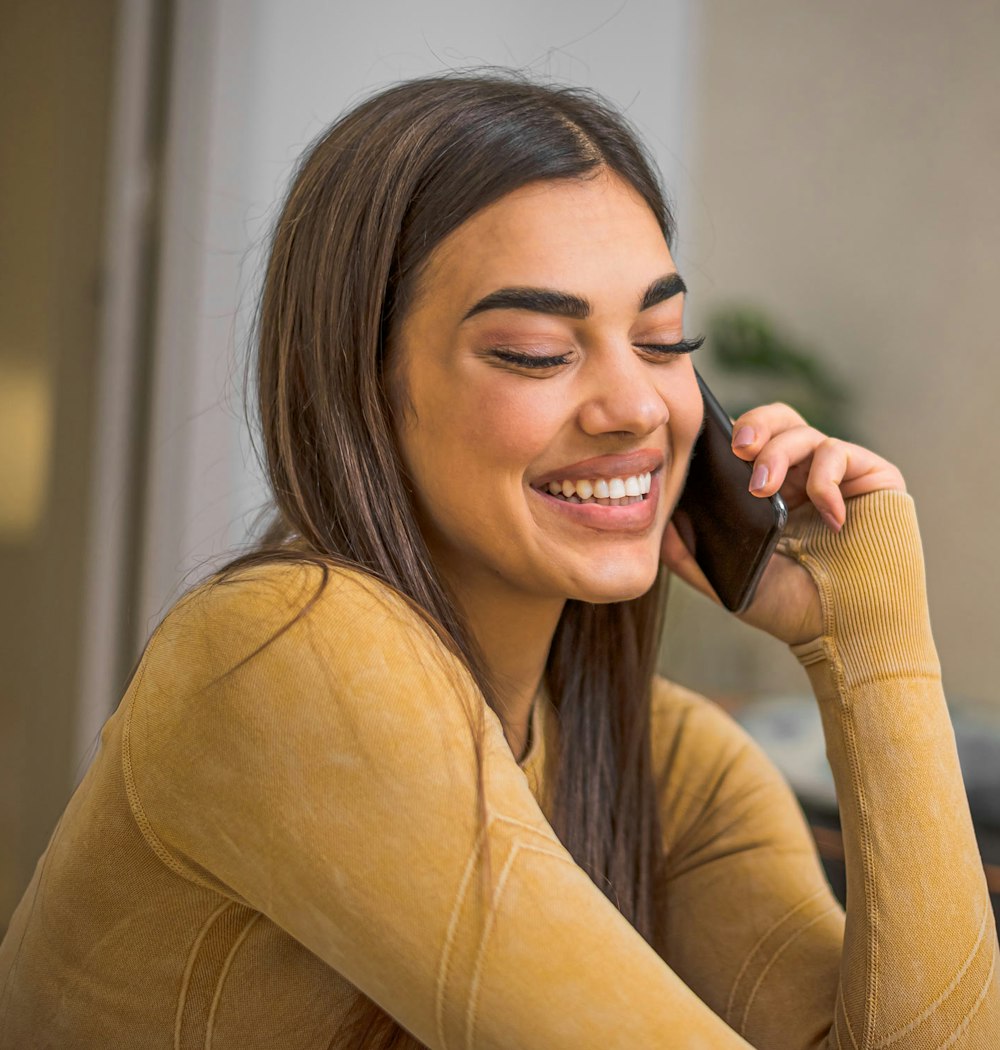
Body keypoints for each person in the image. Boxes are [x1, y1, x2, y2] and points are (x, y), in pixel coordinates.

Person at [1, 71, 996, 1050]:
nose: (639, 408)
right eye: (533, 351)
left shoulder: (666, 764)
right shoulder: (280, 653)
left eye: (661, 339)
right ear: (361, 389)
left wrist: (870, 637)